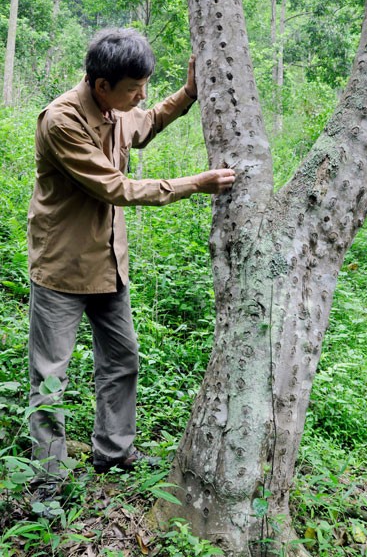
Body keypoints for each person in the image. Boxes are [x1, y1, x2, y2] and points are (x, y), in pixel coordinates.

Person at [27, 28, 235, 501]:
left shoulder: (115, 110)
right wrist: (193, 184)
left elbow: (146, 122)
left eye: (144, 85)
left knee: (122, 360)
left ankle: (114, 453)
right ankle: (48, 481)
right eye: (133, 88)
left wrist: (188, 93)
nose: (141, 96)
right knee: (50, 377)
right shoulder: (62, 122)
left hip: (108, 265)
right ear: (102, 86)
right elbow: (114, 188)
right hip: (62, 269)